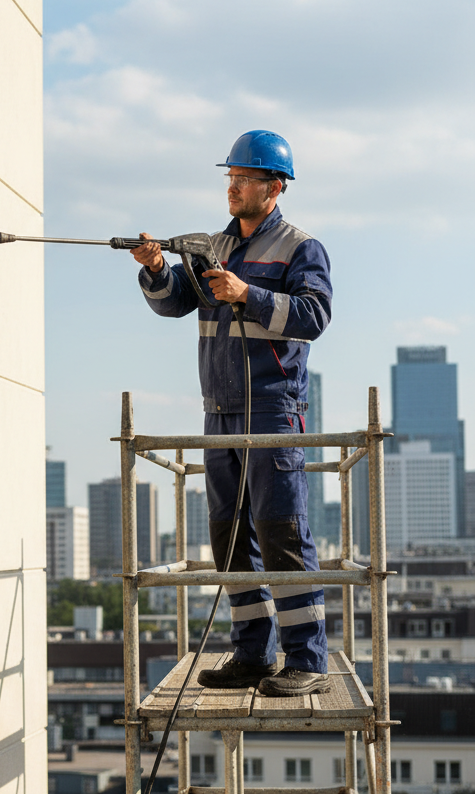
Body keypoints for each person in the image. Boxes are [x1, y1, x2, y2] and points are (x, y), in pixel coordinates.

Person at [133, 130, 333, 697]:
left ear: (274, 187)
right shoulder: (214, 248)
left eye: (242, 179)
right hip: (218, 411)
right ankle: (253, 654)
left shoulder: (300, 247)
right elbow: (175, 302)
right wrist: (154, 270)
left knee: (281, 534)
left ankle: (307, 661)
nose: (232, 187)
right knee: (229, 537)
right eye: (229, 178)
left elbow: (314, 316)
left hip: (272, 410)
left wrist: (249, 293)